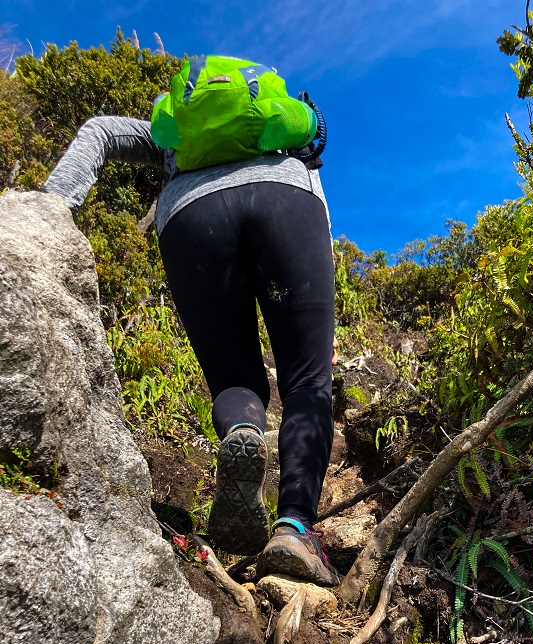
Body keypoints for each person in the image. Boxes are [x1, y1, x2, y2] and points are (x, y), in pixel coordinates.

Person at [44, 98, 341, 588]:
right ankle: (293, 527)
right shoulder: (283, 135)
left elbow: (100, 130)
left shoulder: (177, 135)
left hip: (190, 210)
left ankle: (243, 429)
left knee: (234, 377)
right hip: (287, 196)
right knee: (308, 381)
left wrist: (53, 205)